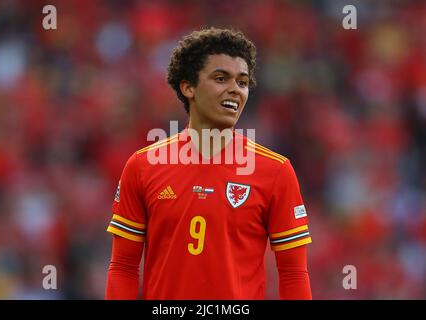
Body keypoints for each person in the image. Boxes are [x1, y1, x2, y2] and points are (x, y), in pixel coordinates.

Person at [105, 27, 312, 299]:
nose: (234, 90)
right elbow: (124, 266)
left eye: (242, 82)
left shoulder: (275, 171)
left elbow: (293, 273)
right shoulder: (143, 166)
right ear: (188, 86)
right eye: (220, 78)